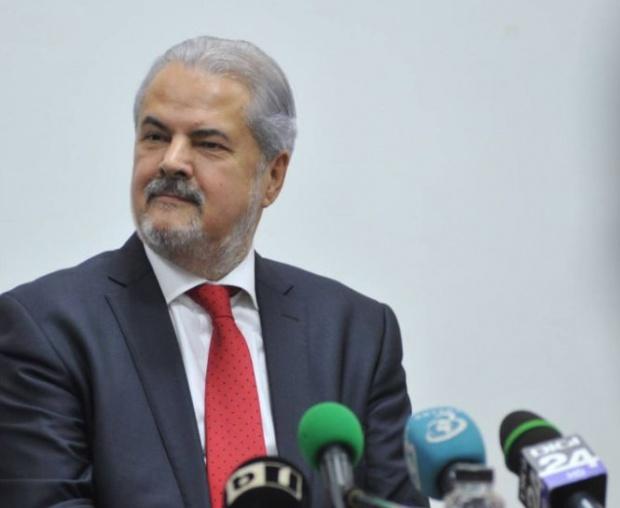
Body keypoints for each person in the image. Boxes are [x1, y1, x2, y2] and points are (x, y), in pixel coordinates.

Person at [0, 36, 428, 508]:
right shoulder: (48, 330)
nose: (171, 161)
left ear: (273, 176)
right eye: (155, 136)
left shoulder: (355, 334)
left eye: (207, 144)